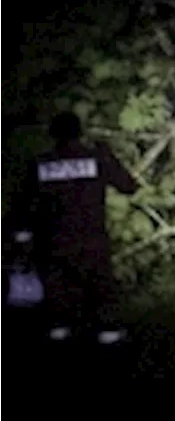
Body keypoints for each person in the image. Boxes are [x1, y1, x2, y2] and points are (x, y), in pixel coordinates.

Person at [27, 112, 138, 344]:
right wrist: (108, 155)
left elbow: (26, 204)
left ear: (52, 134)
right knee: (100, 292)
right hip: (92, 240)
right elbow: (129, 186)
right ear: (80, 132)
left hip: (54, 242)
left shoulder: (40, 164)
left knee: (58, 298)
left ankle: (60, 337)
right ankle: (108, 339)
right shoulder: (96, 159)